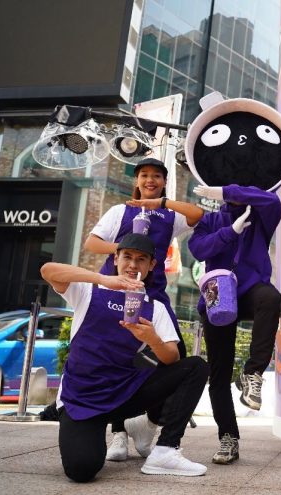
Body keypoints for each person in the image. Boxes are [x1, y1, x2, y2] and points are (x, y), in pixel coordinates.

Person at [41, 233, 209, 482]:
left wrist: (153, 339)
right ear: (115, 259)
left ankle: (165, 450)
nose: (132, 264)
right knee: (82, 470)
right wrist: (103, 279)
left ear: (151, 265)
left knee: (195, 367)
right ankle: (89, 424)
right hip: (82, 398)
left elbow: (172, 358)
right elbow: (48, 270)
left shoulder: (156, 307)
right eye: (127, 257)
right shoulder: (88, 291)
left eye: (141, 259)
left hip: (125, 393)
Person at [84, 157, 204, 462]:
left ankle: (148, 425)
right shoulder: (120, 211)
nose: (150, 180)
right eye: (144, 175)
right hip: (117, 291)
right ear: (136, 180)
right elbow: (92, 243)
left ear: (164, 182)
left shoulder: (169, 215)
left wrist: (162, 203)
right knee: (120, 356)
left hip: (155, 295)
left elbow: (197, 214)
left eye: (157, 176)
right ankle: (119, 433)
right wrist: (127, 249)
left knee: (174, 357)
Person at [189, 183, 281, 465]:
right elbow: (198, 249)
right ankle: (228, 437)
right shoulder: (209, 220)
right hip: (218, 295)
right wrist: (230, 232)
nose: (238, 189)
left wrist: (227, 191)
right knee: (219, 374)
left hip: (251, 291)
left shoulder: (261, 215)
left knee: (270, 297)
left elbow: (273, 201)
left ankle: (253, 373)